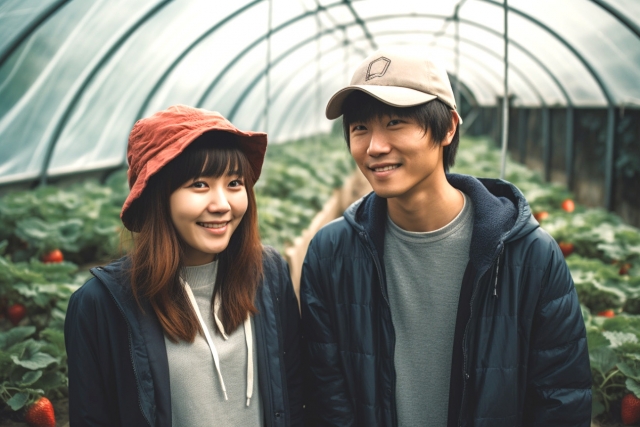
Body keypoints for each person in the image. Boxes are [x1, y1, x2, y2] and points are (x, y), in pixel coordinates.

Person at [300, 48, 592, 426]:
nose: (374, 146)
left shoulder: (529, 256)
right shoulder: (330, 254)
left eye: (394, 122)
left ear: (449, 127)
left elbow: (561, 400)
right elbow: (327, 397)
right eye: (360, 128)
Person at [65, 105, 303, 426]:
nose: (221, 204)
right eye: (200, 184)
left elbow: (296, 390)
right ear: (157, 196)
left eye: (234, 183)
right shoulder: (101, 305)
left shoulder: (268, 273)